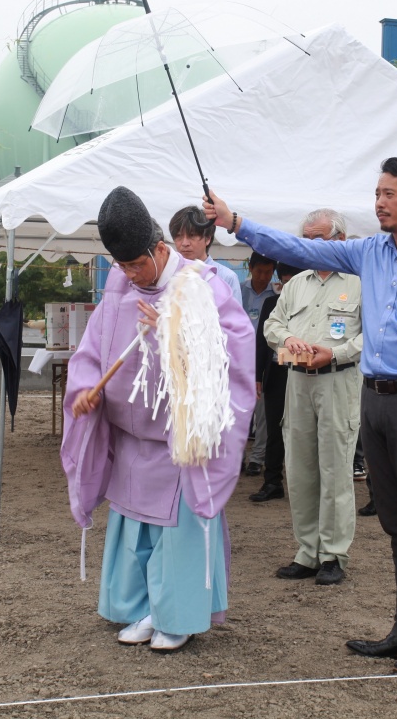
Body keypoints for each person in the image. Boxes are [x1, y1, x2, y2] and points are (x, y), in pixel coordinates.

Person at [203, 157, 397, 675]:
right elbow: (300, 248)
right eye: (376, 192)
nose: (379, 201)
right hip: (373, 400)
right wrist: (235, 221)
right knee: (395, 524)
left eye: (389, 194)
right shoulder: (369, 252)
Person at [62, 186, 256, 653]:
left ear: (160, 249)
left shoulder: (199, 283)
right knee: (134, 528)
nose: (129, 275)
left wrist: (177, 326)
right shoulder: (119, 288)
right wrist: (86, 390)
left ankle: (177, 615)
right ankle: (138, 607)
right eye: (122, 266)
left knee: (175, 534)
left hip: (178, 440)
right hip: (132, 438)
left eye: (136, 265)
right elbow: (92, 349)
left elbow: (236, 346)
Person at [262, 209, 362, 587]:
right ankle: (306, 552)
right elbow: (273, 324)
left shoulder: (360, 282)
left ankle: (334, 554)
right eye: (305, 237)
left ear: (339, 240)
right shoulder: (297, 283)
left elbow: (374, 335)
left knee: (335, 469)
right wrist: (288, 340)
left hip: (337, 379)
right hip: (297, 379)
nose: (308, 245)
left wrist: (334, 353)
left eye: (317, 238)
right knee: (300, 468)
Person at [249, 261, 305, 504]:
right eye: (284, 281)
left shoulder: (309, 305)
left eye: (293, 281)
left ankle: (303, 486)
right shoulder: (271, 303)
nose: (288, 286)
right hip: (276, 371)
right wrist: (257, 376)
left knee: (303, 430)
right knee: (274, 428)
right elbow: (262, 342)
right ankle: (272, 481)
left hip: (304, 372)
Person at [240, 252, 277, 476]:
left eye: (268, 272)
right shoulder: (238, 291)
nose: (263, 277)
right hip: (239, 359)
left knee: (262, 412)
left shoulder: (278, 294)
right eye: (259, 271)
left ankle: (257, 458)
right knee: (239, 412)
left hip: (263, 361)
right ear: (250, 268)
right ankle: (237, 456)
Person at [169, 205, 242, 304]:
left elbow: (234, 318)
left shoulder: (226, 278)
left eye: (192, 235)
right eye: (178, 236)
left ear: (207, 238)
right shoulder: (169, 274)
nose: (185, 243)